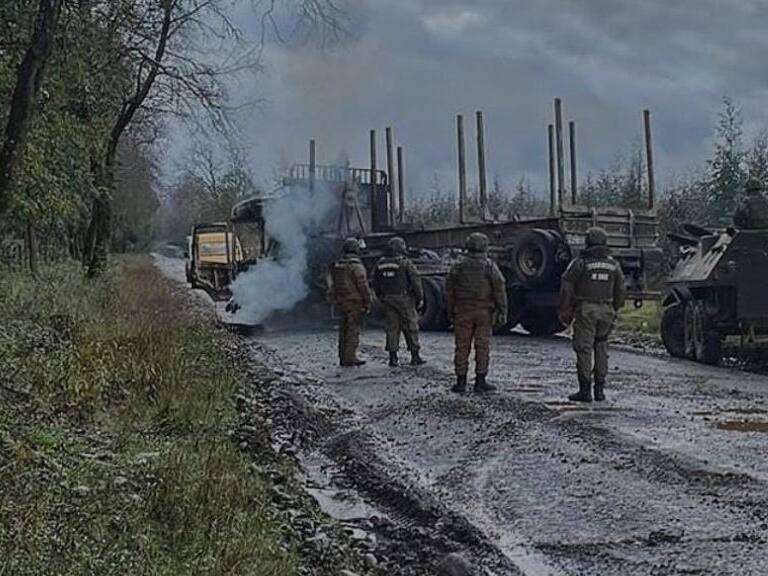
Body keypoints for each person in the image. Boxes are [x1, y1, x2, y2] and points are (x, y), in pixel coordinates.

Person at [558, 227, 626, 402]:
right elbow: (621, 290)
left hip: (586, 309)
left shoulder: (580, 262)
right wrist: (614, 309)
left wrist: (565, 310)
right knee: (602, 347)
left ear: (588, 242)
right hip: (607, 309)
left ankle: (585, 390)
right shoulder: (614, 265)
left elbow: (567, 286)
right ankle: (600, 390)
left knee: (584, 348)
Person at [445, 232, 507, 394]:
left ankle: (460, 382)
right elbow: (499, 289)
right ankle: (480, 381)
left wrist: (450, 311)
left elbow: (449, 292)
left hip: (462, 311)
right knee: (482, 346)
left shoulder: (457, 267)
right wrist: (502, 310)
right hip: (483, 312)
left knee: (462, 347)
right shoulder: (489, 266)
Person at [372, 237, 426, 367]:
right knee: (411, 326)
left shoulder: (380, 263)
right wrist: (420, 298)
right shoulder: (405, 263)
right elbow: (416, 281)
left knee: (392, 328)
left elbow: (375, 283)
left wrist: (382, 297)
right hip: (404, 298)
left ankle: (393, 358)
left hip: (388, 299)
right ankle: (415, 356)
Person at [330, 237, 371, 366]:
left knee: (343, 329)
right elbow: (363, 285)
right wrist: (367, 301)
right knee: (353, 329)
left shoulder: (338, 265)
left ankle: (343, 356)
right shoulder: (356, 266)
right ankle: (350, 357)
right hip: (354, 302)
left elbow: (333, 284)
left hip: (341, 301)